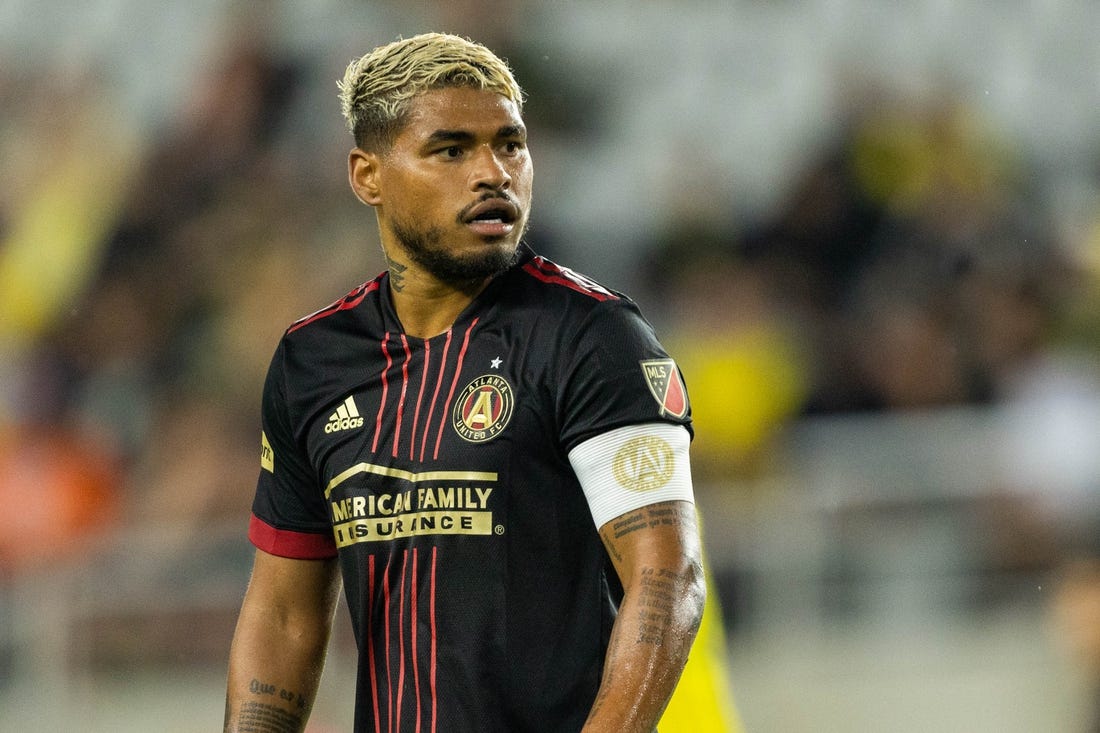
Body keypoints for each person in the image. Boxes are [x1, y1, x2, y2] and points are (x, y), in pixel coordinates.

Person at [224, 32, 707, 732]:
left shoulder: (593, 339)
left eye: (510, 144)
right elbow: (284, 614)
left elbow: (667, 579)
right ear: (368, 176)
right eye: (450, 149)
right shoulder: (314, 360)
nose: (493, 172)